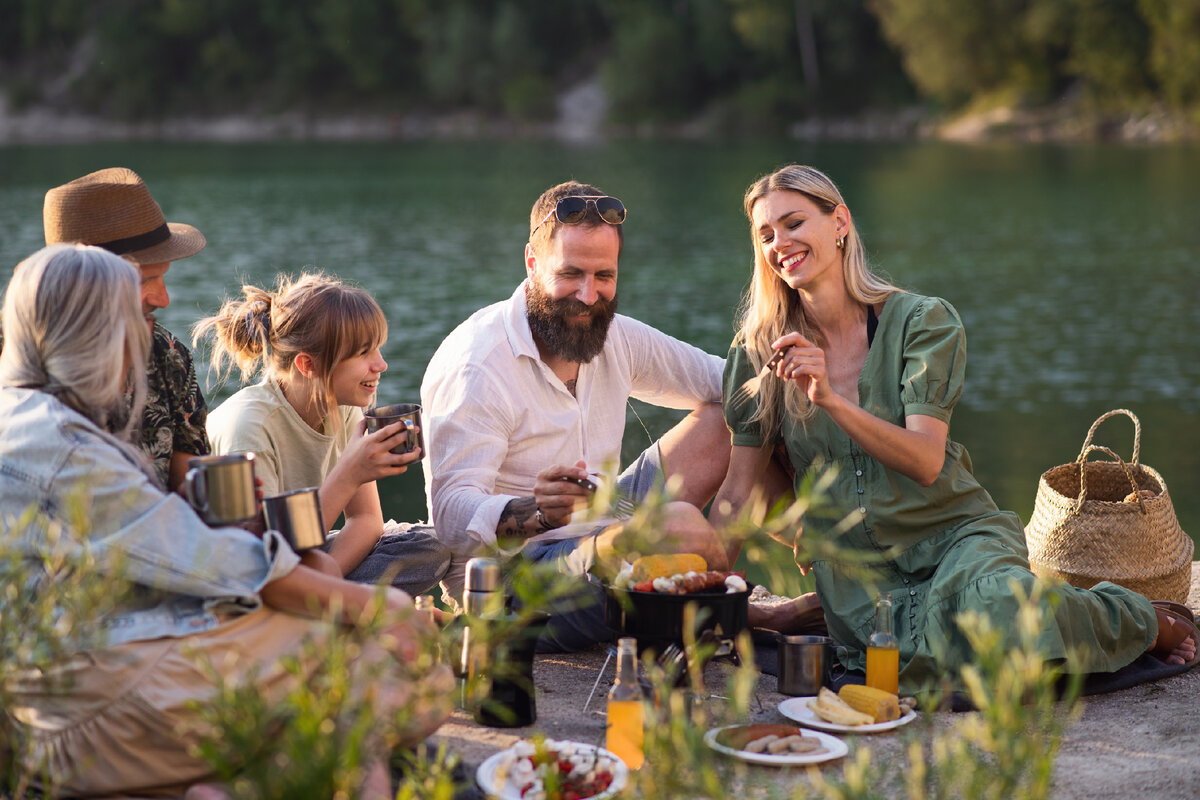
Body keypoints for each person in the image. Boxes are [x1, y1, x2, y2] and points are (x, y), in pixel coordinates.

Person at [710, 164, 1197, 693]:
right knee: (908, 664)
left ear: (840, 223)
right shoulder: (757, 352)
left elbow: (925, 461)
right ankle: (814, 612)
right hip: (859, 578)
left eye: (794, 223)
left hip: (954, 540)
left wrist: (829, 399)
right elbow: (737, 493)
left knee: (1000, 618)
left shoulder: (921, 322)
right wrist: (702, 594)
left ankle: (1145, 620)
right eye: (765, 234)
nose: (780, 243)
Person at [0, 244, 452, 798]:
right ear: (91, 335)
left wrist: (265, 538)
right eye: (139, 312)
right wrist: (381, 607)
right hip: (71, 710)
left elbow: (199, 550)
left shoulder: (32, 419)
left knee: (373, 619)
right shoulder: (65, 446)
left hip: (92, 666)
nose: (160, 307)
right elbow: (236, 568)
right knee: (393, 667)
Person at [422, 180, 815, 652]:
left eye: (603, 276)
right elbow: (448, 517)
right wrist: (536, 513)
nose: (589, 296)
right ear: (532, 262)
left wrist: (804, 498)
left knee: (722, 423)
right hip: (515, 585)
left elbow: (735, 385)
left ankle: (789, 565)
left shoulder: (613, 336)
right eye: (571, 274)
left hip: (601, 525)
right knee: (680, 527)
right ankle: (746, 614)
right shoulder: (478, 365)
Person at [196, 273, 452, 598]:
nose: (381, 364)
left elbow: (366, 519)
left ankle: (322, 607)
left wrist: (327, 578)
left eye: (378, 349)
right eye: (363, 353)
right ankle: (327, 611)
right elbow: (265, 559)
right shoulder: (249, 428)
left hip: (307, 561)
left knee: (432, 545)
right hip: (247, 576)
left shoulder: (342, 407)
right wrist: (349, 474)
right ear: (308, 365)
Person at [40, 167, 211, 491]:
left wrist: (228, 505)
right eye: (146, 280)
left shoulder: (167, 354)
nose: (164, 299)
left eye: (163, 277)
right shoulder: (11, 361)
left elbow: (189, 488)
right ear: (86, 281)